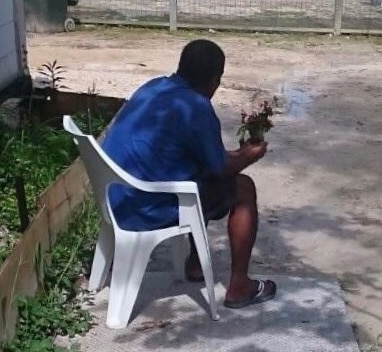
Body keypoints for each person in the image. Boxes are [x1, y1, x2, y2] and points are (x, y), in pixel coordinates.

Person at [102, 39, 276, 309]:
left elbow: (205, 158)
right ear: (214, 81)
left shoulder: (154, 87)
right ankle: (239, 286)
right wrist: (249, 156)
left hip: (114, 198)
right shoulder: (196, 106)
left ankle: (196, 264)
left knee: (196, 176)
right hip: (145, 209)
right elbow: (219, 169)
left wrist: (234, 156)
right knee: (242, 188)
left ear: (181, 67)